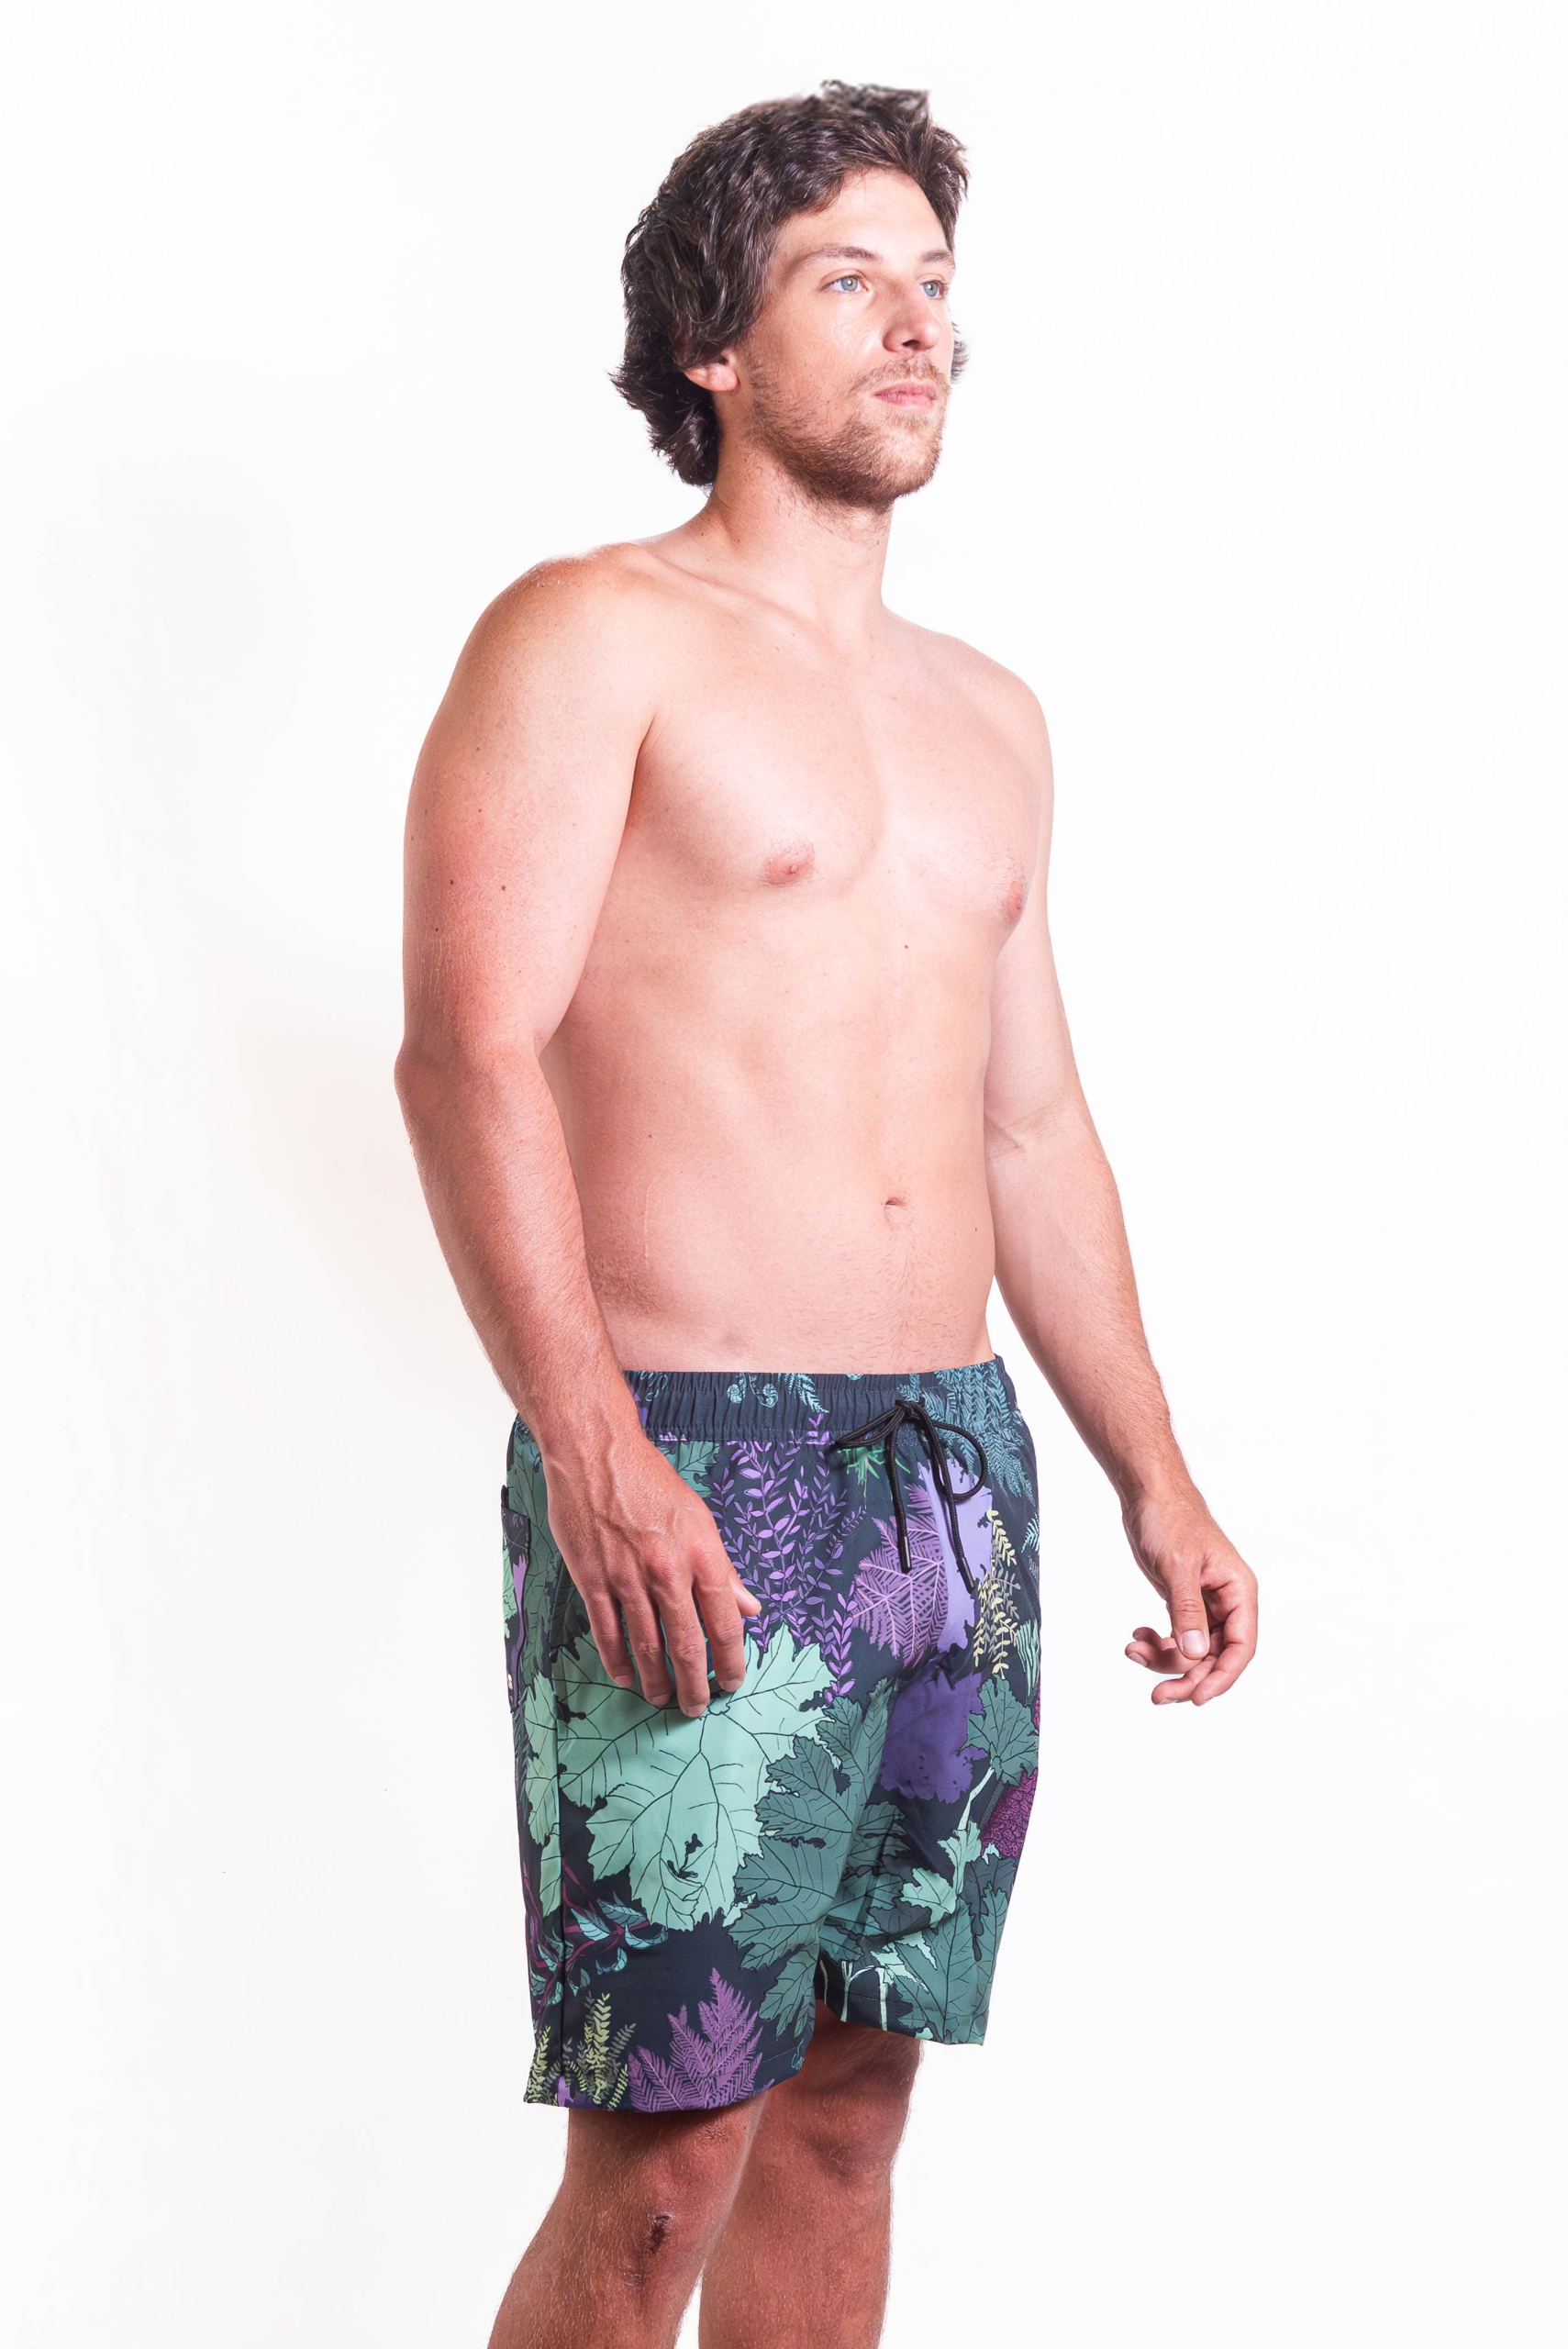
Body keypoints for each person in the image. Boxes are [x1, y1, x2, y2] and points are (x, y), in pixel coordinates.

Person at [395, 79, 1259, 2349]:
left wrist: (1155, 1469)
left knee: (855, 2111)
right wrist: (592, 1446)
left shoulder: (994, 718)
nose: (915, 328)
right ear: (715, 341)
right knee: (664, 2155)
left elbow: (1031, 1125)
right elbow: (468, 1051)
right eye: (848, 279)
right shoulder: (590, 635)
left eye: (936, 285)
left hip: (950, 1470)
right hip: (698, 1454)